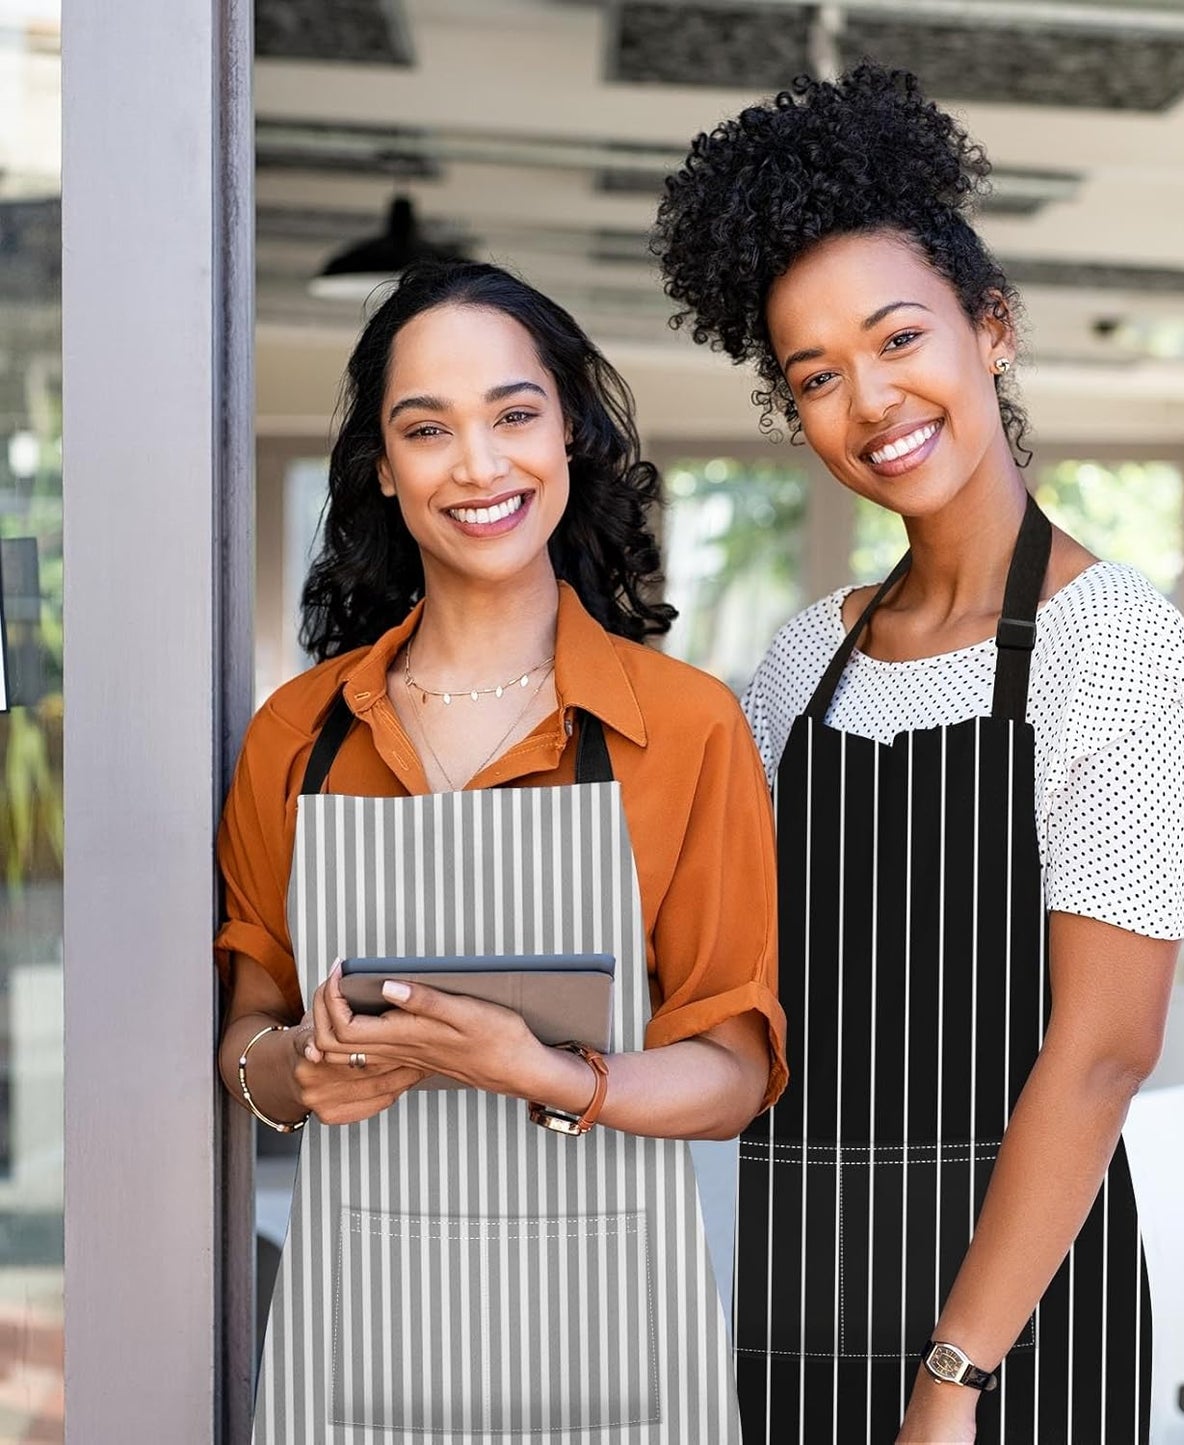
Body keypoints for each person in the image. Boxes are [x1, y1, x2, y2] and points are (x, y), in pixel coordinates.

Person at [654, 63, 1184, 1445]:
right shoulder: (805, 659)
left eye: (899, 336)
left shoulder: (1112, 644)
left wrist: (949, 1382)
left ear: (992, 327)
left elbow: (1102, 1054)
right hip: (803, 1275)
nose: (869, 399)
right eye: (816, 376)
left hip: (1016, 1322)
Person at [214, 259, 786, 1443]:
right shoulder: (298, 736)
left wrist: (548, 1073)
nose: (477, 465)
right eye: (428, 428)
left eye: (513, 415)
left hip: (615, 1357)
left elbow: (733, 1070)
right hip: (358, 1350)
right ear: (385, 466)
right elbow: (247, 1030)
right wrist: (293, 1071)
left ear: (568, 431)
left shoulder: (684, 727)